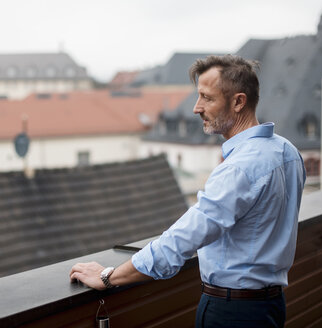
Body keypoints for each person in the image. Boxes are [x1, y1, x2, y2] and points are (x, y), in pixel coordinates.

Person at [70, 55, 306, 328]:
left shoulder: (239, 169)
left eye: (207, 97)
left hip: (232, 313)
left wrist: (109, 276)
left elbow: (179, 241)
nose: (196, 108)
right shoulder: (287, 152)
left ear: (239, 101)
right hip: (272, 306)